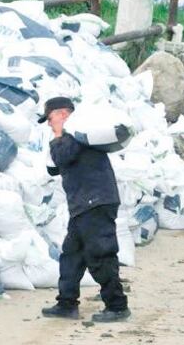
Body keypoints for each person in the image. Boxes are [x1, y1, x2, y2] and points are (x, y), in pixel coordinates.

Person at [39, 97, 130, 323]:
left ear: (62, 114)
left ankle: (117, 306)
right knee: (72, 255)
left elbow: (62, 156)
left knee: (100, 254)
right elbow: (54, 168)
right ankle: (66, 303)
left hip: (95, 203)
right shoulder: (75, 136)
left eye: (50, 119)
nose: (49, 125)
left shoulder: (77, 134)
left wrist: (59, 134)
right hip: (84, 205)